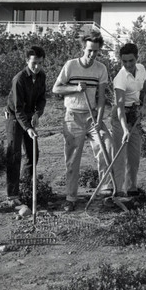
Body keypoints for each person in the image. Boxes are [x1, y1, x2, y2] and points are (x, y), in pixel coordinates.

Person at [52, 30, 114, 211]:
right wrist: (75, 88)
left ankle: (105, 190)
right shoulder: (71, 66)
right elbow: (56, 89)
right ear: (83, 48)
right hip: (73, 116)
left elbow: (102, 97)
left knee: (107, 145)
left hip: (93, 116)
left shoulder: (101, 69)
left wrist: (99, 118)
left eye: (95, 51)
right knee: (72, 159)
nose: (92, 55)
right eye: (89, 51)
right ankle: (71, 197)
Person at [5, 46, 46, 198]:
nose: (37, 67)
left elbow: (42, 99)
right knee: (14, 155)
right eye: (34, 63)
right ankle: (12, 196)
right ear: (27, 61)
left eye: (40, 63)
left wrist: (37, 113)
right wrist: (28, 128)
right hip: (15, 118)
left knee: (32, 154)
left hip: (29, 116)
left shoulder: (42, 76)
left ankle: (25, 189)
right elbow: (17, 108)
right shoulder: (19, 79)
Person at [111, 43, 146, 196]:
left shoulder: (141, 69)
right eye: (124, 61)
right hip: (120, 116)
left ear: (137, 58)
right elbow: (120, 107)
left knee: (134, 154)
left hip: (135, 114)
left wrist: (144, 108)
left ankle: (132, 188)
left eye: (131, 61)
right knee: (120, 155)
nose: (128, 64)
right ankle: (118, 191)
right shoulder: (120, 78)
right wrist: (124, 128)